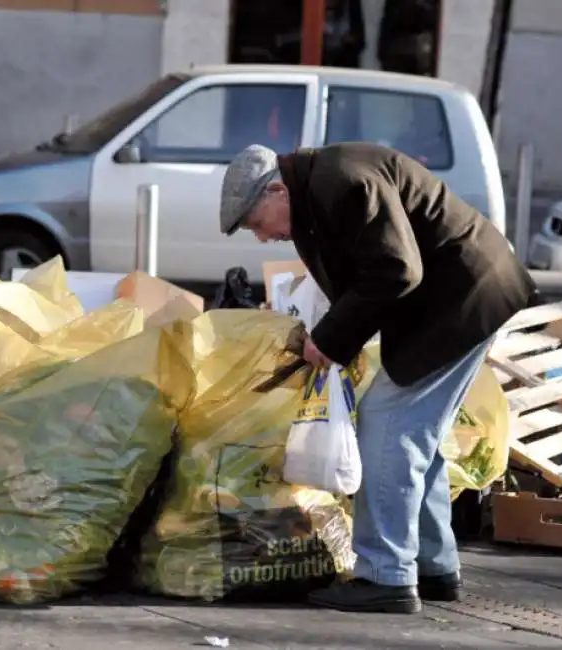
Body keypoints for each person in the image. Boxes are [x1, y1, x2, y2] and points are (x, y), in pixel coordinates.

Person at [219, 142, 535, 614]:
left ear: (277, 192)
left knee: (389, 427)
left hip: (463, 300)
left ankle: (385, 575)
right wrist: (328, 335)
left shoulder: (342, 182)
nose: (260, 237)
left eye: (254, 223)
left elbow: (395, 269)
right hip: (462, 296)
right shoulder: (319, 187)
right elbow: (361, 271)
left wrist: (331, 339)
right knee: (417, 435)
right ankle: (433, 566)